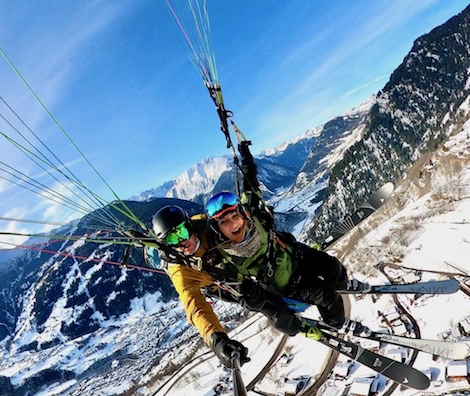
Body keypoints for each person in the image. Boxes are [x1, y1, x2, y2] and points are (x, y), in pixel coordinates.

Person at [205, 140, 350, 331]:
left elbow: (250, 182)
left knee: (333, 267)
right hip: (286, 284)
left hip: (293, 252)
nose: (233, 224)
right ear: (217, 229)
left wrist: (246, 156)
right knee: (326, 295)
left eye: (234, 215)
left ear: (242, 213)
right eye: (224, 222)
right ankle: (336, 324)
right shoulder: (226, 259)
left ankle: (343, 285)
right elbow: (238, 292)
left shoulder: (253, 215)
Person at [148, 204, 250, 369]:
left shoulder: (206, 226)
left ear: (190, 227)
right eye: (172, 240)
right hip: (213, 283)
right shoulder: (179, 270)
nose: (181, 243)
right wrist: (218, 341)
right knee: (250, 298)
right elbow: (195, 307)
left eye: (181, 232)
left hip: (225, 265)